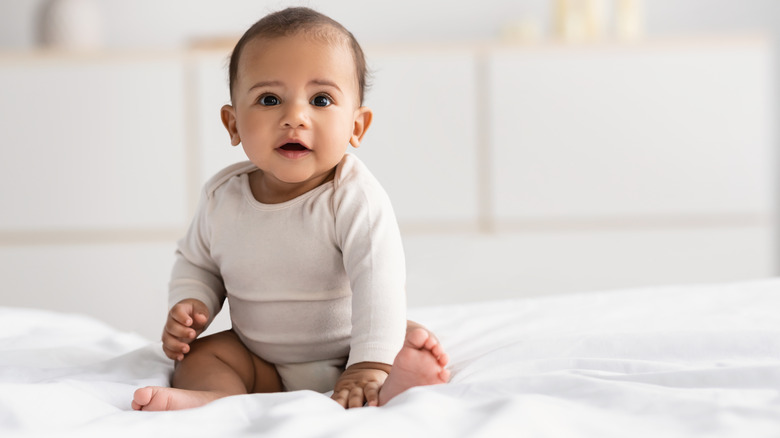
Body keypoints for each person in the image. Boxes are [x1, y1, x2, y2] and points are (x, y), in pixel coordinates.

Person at [131, 7, 449, 411]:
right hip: (261, 359)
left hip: (347, 348)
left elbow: (379, 283)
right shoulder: (222, 197)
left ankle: (387, 376)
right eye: (269, 99)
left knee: (398, 342)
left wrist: (368, 363)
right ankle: (217, 399)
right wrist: (193, 303)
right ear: (233, 124)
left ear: (357, 126)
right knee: (199, 357)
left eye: (320, 99)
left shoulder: (353, 197)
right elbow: (197, 262)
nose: (294, 117)